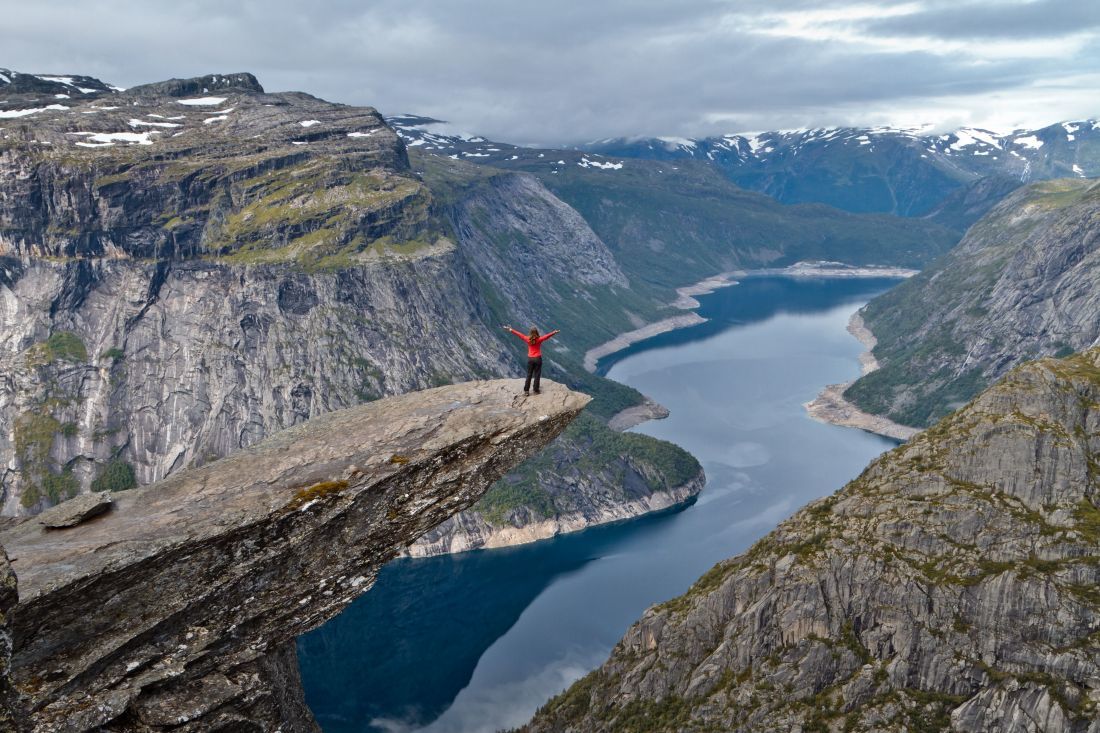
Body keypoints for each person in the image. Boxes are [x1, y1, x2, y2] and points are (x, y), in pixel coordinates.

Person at [503, 325, 560, 395]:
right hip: (538, 359)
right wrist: (554, 332)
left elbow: (519, 334)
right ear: (537, 333)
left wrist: (510, 329)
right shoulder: (539, 339)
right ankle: (536, 390)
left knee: (529, 375)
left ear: (530, 333)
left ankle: (526, 391)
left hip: (530, 359)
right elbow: (547, 336)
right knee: (537, 374)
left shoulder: (527, 339)